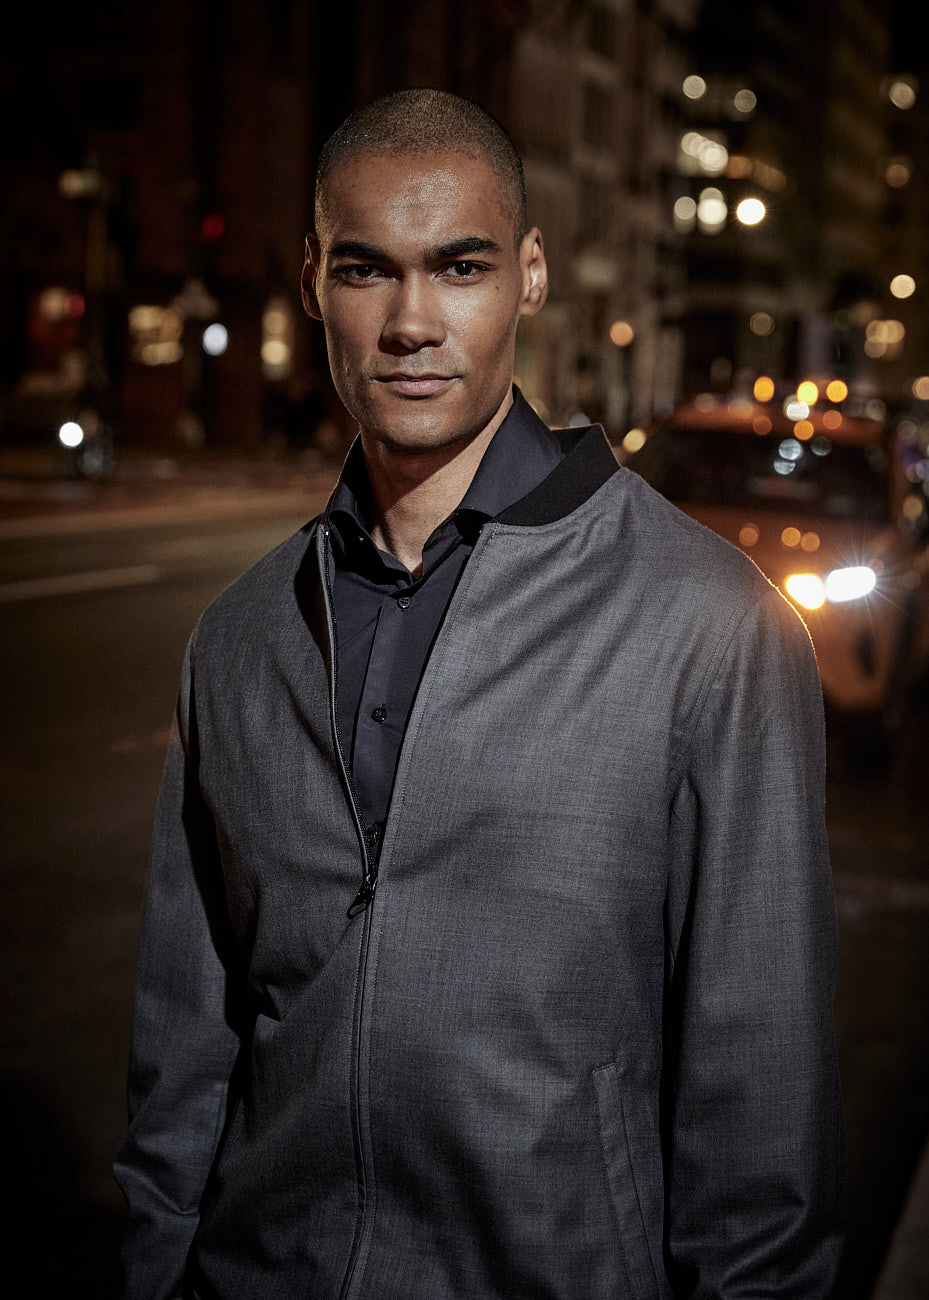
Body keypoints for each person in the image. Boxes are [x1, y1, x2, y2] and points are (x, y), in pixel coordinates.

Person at [115, 89, 844, 1299]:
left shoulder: (710, 624)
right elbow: (180, 1065)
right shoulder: (239, 636)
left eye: (458, 266)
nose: (410, 322)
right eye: (365, 271)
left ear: (529, 277)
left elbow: (759, 1132)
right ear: (312, 282)